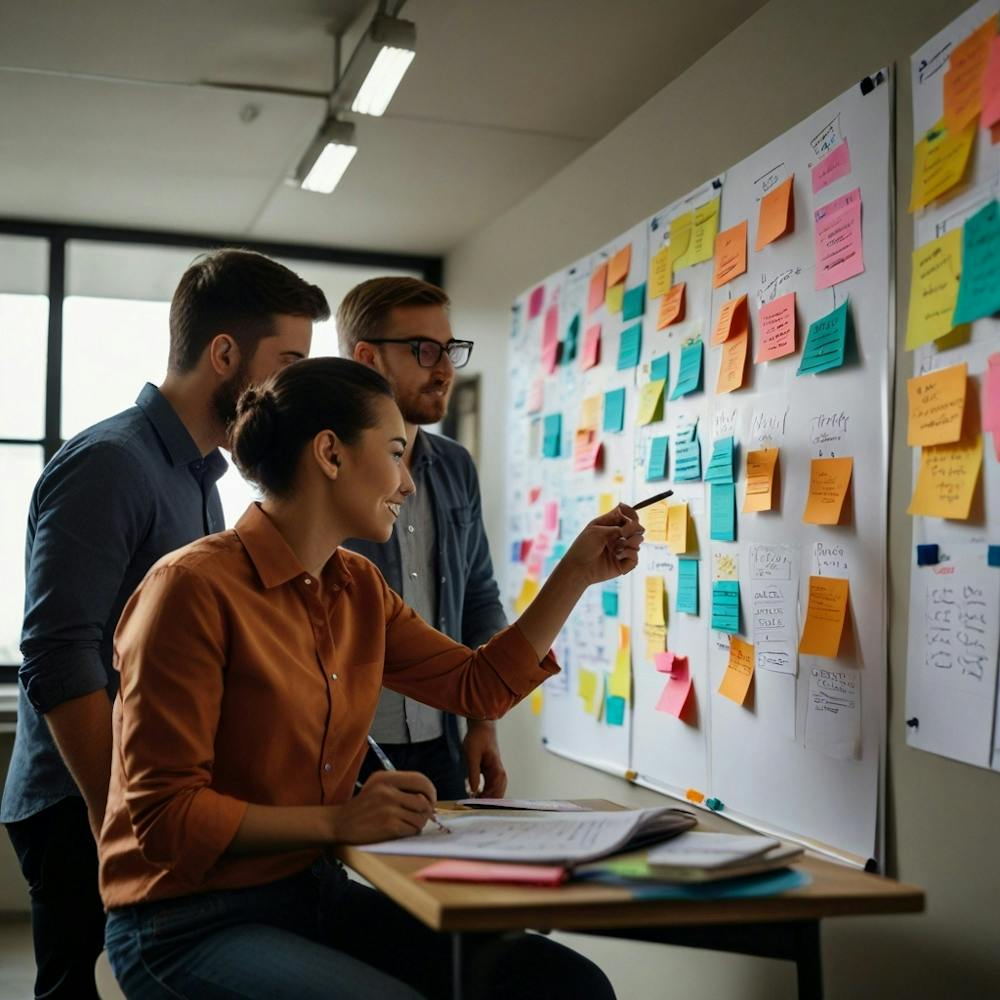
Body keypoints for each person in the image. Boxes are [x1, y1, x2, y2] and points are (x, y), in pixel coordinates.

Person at [100, 356, 642, 999]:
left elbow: (476, 686)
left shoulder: (358, 586)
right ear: (329, 453)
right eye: (394, 452)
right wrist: (341, 822)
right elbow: (166, 819)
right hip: (182, 921)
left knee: (562, 984)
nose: (408, 484)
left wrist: (577, 573)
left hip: (311, 896)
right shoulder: (189, 589)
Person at [1, 249, 329, 999]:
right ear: (224, 355)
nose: (293, 387)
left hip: (142, 800)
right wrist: (118, 812)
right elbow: (57, 657)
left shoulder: (199, 475)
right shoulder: (113, 463)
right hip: (78, 799)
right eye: (287, 362)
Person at [338, 277, 506, 800]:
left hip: (442, 737)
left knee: (443, 879)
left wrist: (482, 722)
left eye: (449, 349)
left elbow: (479, 597)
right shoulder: (328, 463)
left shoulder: (455, 465)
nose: (445, 368)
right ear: (367, 357)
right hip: (347, 740)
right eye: (425, 350)